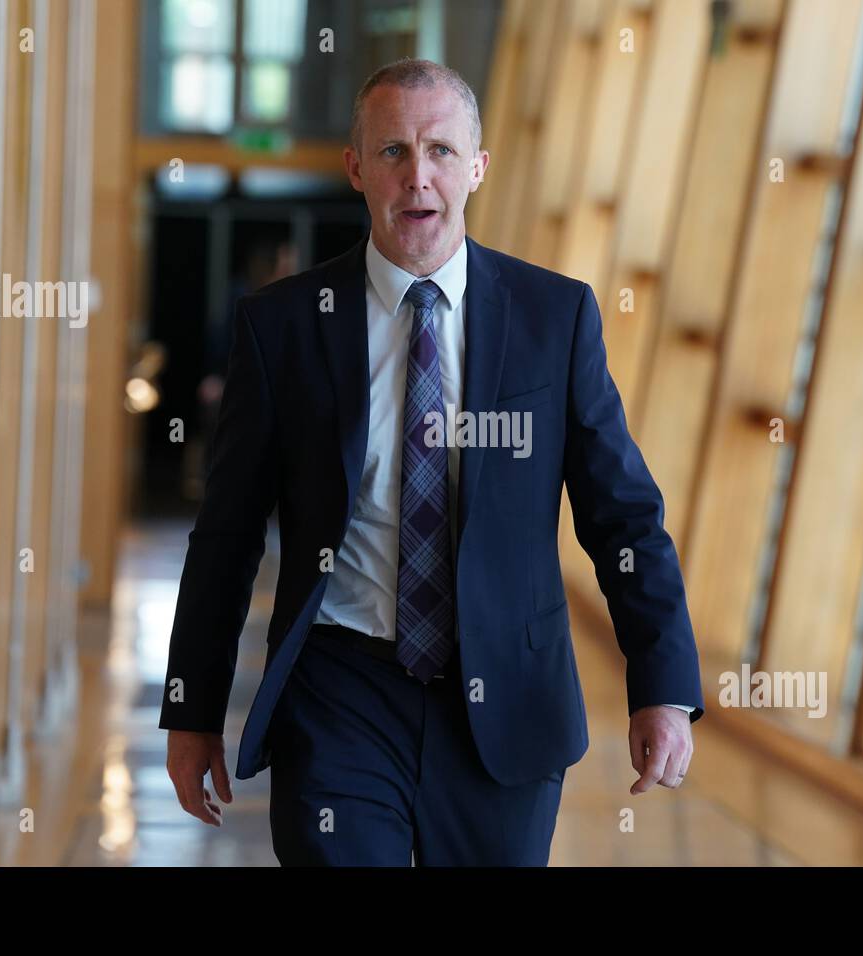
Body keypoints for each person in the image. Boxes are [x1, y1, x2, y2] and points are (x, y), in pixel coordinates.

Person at [159, 58, 704, 866]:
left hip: (505, 701)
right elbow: (228, 532)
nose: (419, 177)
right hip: (339, 693)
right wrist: (191, 708)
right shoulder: (283, 328)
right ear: (355, 167)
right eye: (393, 152)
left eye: (442, 152)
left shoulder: (554, 317)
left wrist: (663, 685)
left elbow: (621, 513)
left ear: (478, 168)